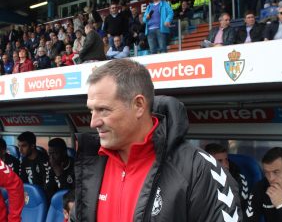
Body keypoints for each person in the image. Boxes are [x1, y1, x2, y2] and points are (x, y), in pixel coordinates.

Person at [74, 59, 242, 221]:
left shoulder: (197, 169)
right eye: (91, 111)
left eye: (103, 110)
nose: (93, 122)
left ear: (139, 105)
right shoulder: (92, 163)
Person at [245, 147, 282, 222]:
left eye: (276, 172)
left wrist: (281, 205)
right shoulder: (261, 187)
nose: (271, 178)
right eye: (267, 173)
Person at [204, 143, 249, 210]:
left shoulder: (237, 177)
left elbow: (238, 206)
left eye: (226, 160)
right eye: (219, 161)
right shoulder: (199, 177)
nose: (225, 165)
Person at [18, 131, 52, 199]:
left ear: (32, 146)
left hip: (44, 197)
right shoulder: (24, 161)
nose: (20, 150)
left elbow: (48, 186)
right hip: (29, 195)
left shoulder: (44, 159)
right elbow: (22, 181)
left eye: (24, 146)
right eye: (19, 146)